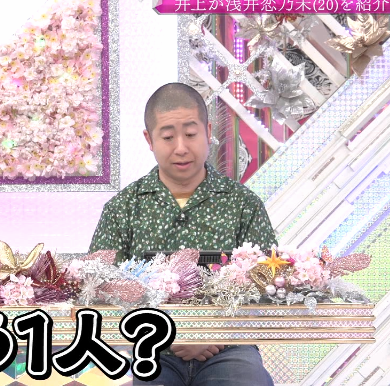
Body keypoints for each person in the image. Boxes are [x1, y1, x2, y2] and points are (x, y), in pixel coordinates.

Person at [89, 83, 276, 386]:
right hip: (152, 349)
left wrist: (213, 333)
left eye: (190, 134)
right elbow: (97, 286)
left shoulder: (243, 204)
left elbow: (269, 285)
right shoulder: (122, 208)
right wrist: (166, 333)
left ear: (208, 132)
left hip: (230, 348)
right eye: (167, 137)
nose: (180, 147)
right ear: (149, 140)